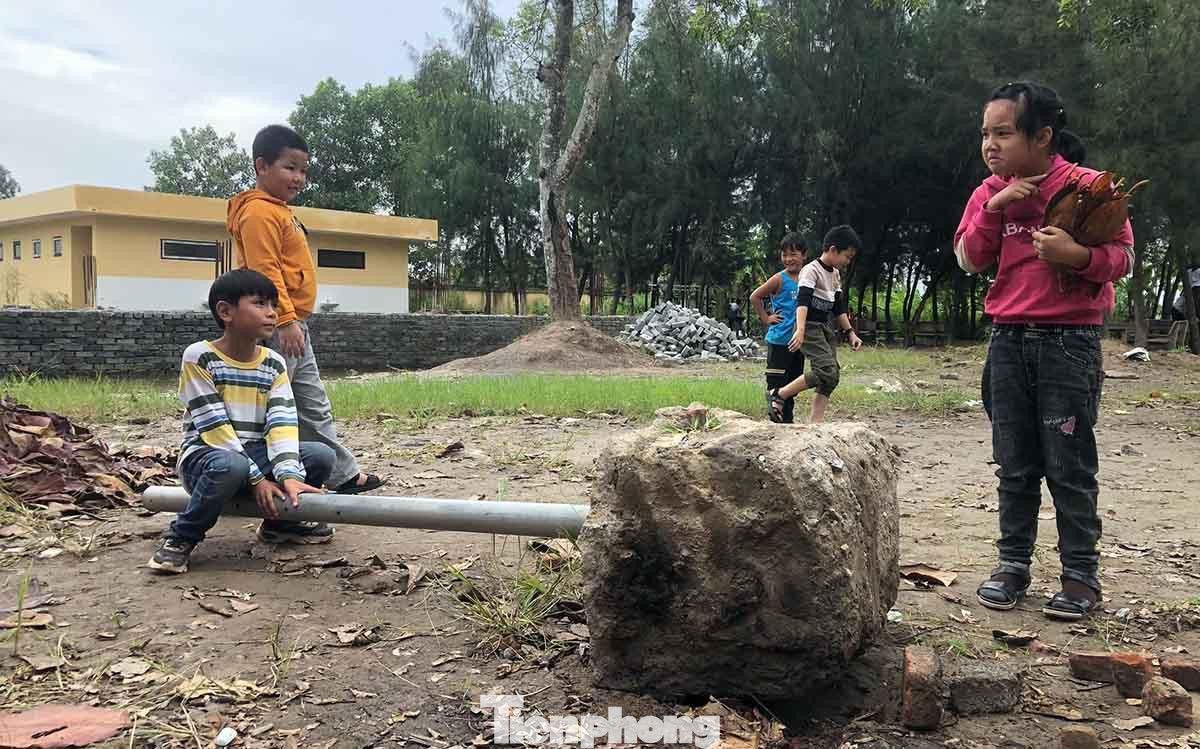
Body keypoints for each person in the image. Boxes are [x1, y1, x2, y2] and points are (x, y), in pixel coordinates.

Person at [955, 81, 1133, 621]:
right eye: (985, 134)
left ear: (1042, 136)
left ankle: (1080, 577)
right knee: (1014, 464)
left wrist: (1077, 255)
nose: (990, 145)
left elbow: (1124, 259)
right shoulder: (989, 192)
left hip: (1069, 343)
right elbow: (969, 258)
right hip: (1007, 341)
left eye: (1004, 133)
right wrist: (995, 208)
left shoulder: (1088, 187)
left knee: (1069, 465)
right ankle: (1012, 566)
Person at [228, 124, 384, 495]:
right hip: (277, 326)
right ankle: (266, 477)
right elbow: (265, 272)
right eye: (290, 168)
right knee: (278, 405)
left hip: (294, 323)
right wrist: (284, 321)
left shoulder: (280, 212)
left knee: (312, 403)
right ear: (262, 166)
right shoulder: (259, 214)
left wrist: (293, 320)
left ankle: (340, 473)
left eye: (303, 170)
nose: (298, 178)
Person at [148, 270, 335, 574]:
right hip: (208, 459)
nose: (272, 313)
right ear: (226, 312)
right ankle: (181, 537)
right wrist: (257, 479)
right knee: (230, 465)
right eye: (260, 303)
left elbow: (282, 423)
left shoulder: (273, 363)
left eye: (273, 305)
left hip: (254, 457)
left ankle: (280, 524)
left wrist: (289, 473)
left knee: (321, 455)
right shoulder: (200, 357)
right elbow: (215, 429)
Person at [763, 226, 864, 423]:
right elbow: (802, 302)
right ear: (833, 250)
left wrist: (850, 332)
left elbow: (838, 307)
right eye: (847, 256)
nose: (848, 262)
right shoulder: (811, 270)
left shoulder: (835, 274)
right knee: (825, 370)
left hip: (824, 328)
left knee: (832, 376)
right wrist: (800, 330)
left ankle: (816, 423)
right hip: (809, 327)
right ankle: (779, 394)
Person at [750, 233, 807, 423]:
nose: (788, 259)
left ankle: (788, 421)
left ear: (804, 255)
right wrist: (766, 318)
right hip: (779, 340)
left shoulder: (808, 278)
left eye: (793, 254)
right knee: (776, 383)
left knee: (793, 383)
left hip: (798, 342)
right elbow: (755, 296)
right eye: (784, 255)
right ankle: (776, 421)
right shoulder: (779, 279)